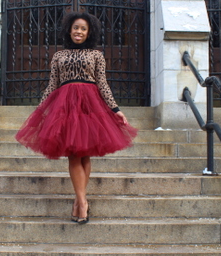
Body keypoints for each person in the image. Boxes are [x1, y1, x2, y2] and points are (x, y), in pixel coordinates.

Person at [15, 12, 138, 225]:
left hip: (90, 105)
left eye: (83, 28)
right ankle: (82, 202)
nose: (78, 31)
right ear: (69, 30)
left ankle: (79, 200)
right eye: (75, 28)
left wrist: (115, 109)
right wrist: (40, 110)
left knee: (85, 154)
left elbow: (102, 83)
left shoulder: (96, 55)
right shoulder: (58, 56)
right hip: (65, 106)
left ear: (89, 32)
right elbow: (53, 84)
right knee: (74, 154)